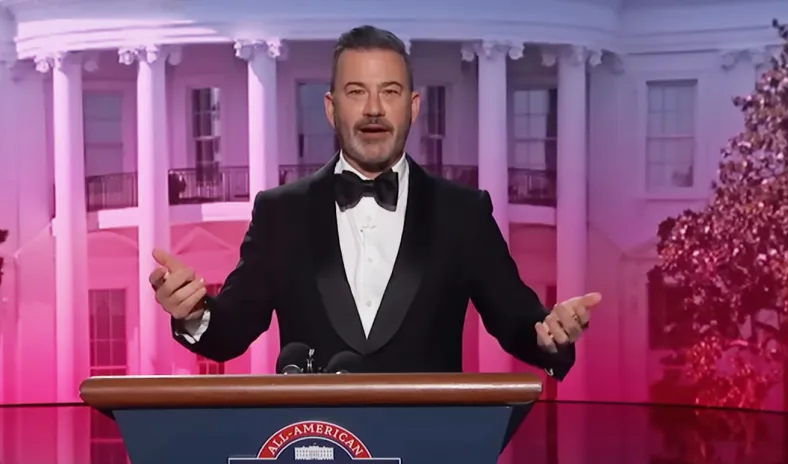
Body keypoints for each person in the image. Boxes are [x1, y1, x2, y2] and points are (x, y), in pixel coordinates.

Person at [150, 25, 599, 377]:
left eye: (389, 91)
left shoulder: (463, 213)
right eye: (356, 92)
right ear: (331, 108)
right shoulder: (280, 214)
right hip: (317, 454)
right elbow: (232, 330)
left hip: (431, 456)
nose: (373, 109)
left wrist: (551, 333)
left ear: (413, 106)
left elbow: (517, 320)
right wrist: (193, 313)